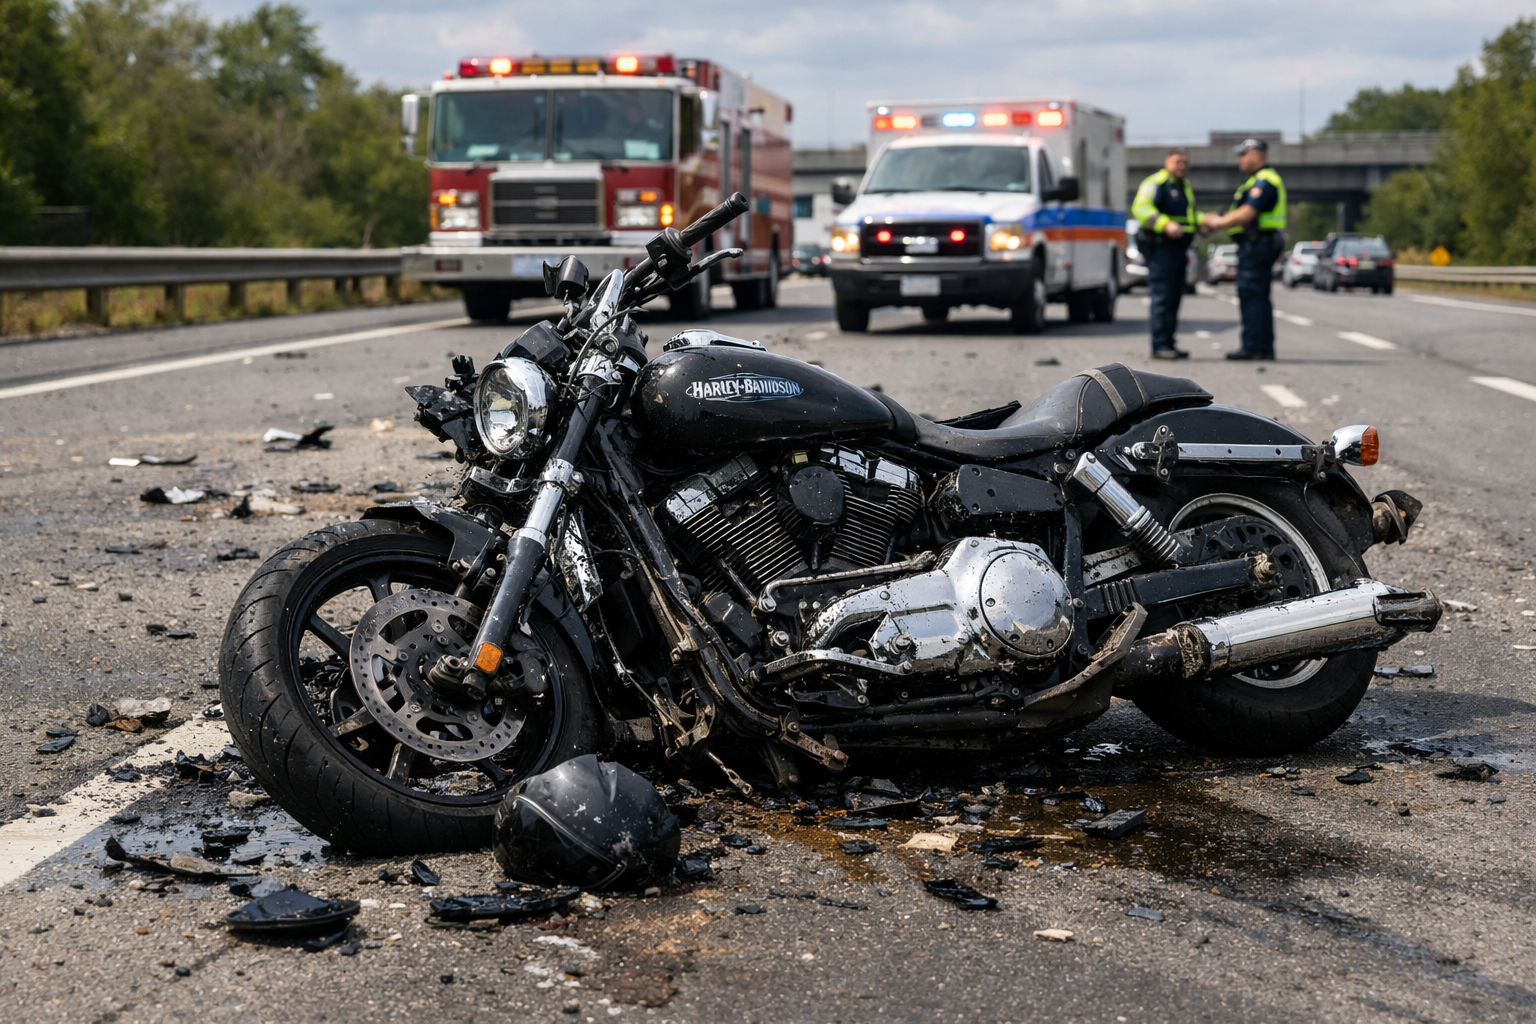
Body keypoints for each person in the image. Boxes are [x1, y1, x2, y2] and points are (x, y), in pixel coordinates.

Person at [1201, 138, 1287, 361]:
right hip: (1257, 243)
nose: (1240, 159)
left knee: (1251, 295)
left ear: (1256, 155)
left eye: (1243, 154)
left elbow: (1247, 213)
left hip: (1258, 244)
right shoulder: (1255, 181)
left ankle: (1253, 346)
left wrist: (1216, 224)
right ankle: (1262, 347)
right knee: (1257, 295)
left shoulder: (1264, 181)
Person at [1131, 148, 1199, 359]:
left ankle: (1168, 342)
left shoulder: (1184, 187)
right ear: (1167, 162)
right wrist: (1164, 224)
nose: (1182, 166)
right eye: (1178, 161)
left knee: (1174, 298)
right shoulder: (1156, 183)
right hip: (1161, 248)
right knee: (1162, 297)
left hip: (1179, 250)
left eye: (1185, 162)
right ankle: (1160, 344)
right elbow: (1141, 209)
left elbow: (1190, 218)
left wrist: (1205, 223)